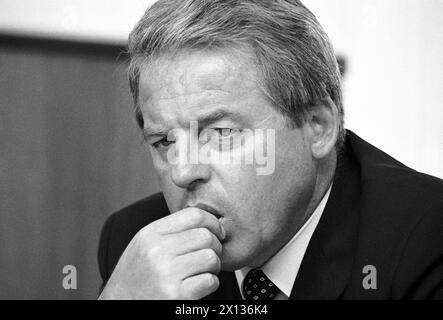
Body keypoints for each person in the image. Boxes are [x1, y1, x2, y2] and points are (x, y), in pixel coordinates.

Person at [97, 0, 443, 299]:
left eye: (220, 133)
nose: (183, 172)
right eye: (165, 142)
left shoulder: (426, 240)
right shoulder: (137, 248)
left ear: (318, 126)